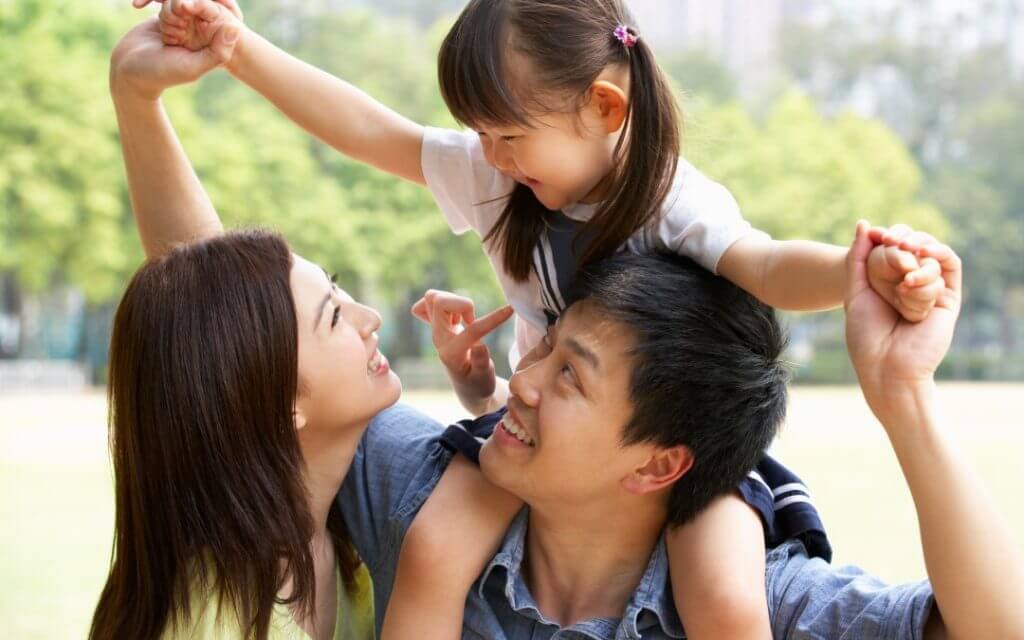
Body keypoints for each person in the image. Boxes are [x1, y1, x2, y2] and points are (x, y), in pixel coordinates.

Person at [139, 0, 949, 637]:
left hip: (682, 447)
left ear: (603, 105)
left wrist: (859, 273)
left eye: (509, 133)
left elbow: (766, 267)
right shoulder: (503, 178)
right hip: (522, 437)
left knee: (726, 601)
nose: (489, 154)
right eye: (481, 131)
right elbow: (369, 132)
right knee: (433, 548)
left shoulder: (674, 201)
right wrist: (237, 50)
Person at [94, 18, 409, 639]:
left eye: (341, 293)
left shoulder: (325, 529)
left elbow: (214, 319)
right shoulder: (220, 616)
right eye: (336, 316)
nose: (370, 321)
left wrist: (136, 98)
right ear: (284, 400)